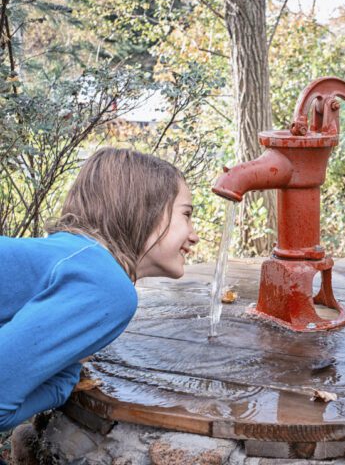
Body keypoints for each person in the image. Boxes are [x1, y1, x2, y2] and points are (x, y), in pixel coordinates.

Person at [0, 148, 199, 432]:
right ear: (144, 209)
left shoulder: (74, 257)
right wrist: (62, 384)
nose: (195, 234)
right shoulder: (107, 286)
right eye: (187, 215)